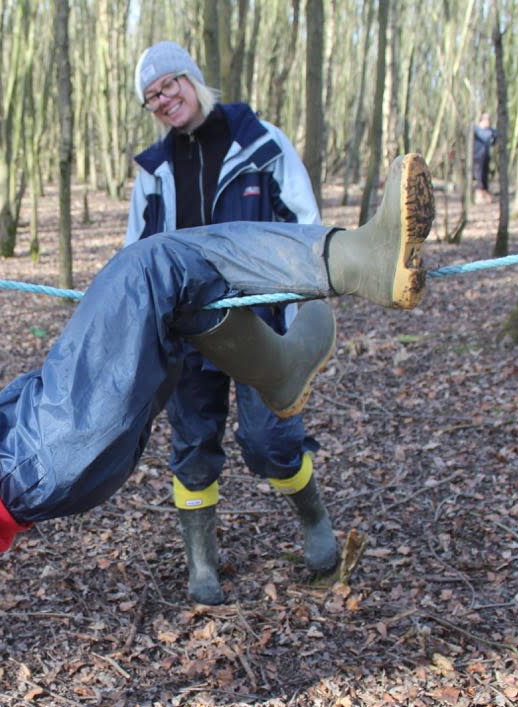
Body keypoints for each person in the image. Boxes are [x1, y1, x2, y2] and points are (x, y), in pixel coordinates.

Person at [0, 154, 434, 694]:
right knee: (149, 267)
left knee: (177, 304)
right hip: (40, 452)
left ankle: (274, 365)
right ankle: (354, 260)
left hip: (42, 451)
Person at [126, 40, 333, 605]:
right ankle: (202, 564)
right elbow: (139, 252)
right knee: (193, 445)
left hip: (261, 320)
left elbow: (306, 226)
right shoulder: (154, 170)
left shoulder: (260, 145)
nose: (164, 99)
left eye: (170, 85)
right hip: (190, 327)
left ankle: (315, 522)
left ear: (192, 79)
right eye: (152, 97)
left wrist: (297, 309)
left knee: (270, 442)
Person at [472, 113, 497, 203]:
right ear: (482, 120)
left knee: (485, 176)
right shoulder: (476, 129)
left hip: (486, 157)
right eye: (486, 119)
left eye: (488, 119)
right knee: (478, 177)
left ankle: (485, 196)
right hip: (477, 157)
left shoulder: (490, 131)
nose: (488, 121)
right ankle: (479, 197)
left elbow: (494, 141)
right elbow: (485, 137)